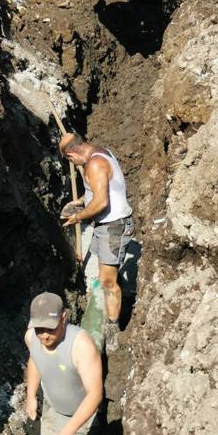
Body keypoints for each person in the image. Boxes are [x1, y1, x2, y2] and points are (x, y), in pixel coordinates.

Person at [25, 292, 105, 435]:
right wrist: (31, 395)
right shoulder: (32, 337)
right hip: (55, 414)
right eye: (39, 329)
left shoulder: (81, 345)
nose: (44, 335)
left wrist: (71, 429)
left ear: (64, 318)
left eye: (49, 328)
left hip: (86, 417)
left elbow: (95, 394)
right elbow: (34, 361)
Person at [58, 134, 135, 352]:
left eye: (70, 160)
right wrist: (81, 202)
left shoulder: (95, 164)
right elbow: (97, 190)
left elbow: (101, 201)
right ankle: (98, 297)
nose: (72, 164)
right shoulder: (98, 152)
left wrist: (79, 217)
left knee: (108, 282)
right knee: (97, 269)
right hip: (105, 227)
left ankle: (112, 330)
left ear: (72, 154)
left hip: (114, 228)